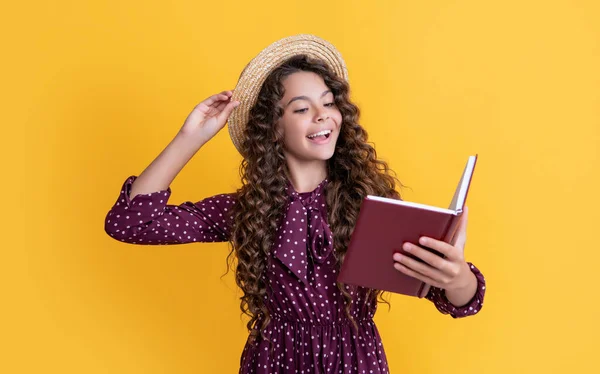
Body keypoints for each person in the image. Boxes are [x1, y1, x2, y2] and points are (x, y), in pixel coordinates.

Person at [104, 34, 486, 373]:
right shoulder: (248, 210)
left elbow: (458, 299)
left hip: (355, 362)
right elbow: (129, 222)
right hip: (274, 362)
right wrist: (191, 137)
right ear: (273, 126)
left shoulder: (369, 205)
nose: (322, 115)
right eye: (302, 108)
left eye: (329, 103)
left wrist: (457, 277)